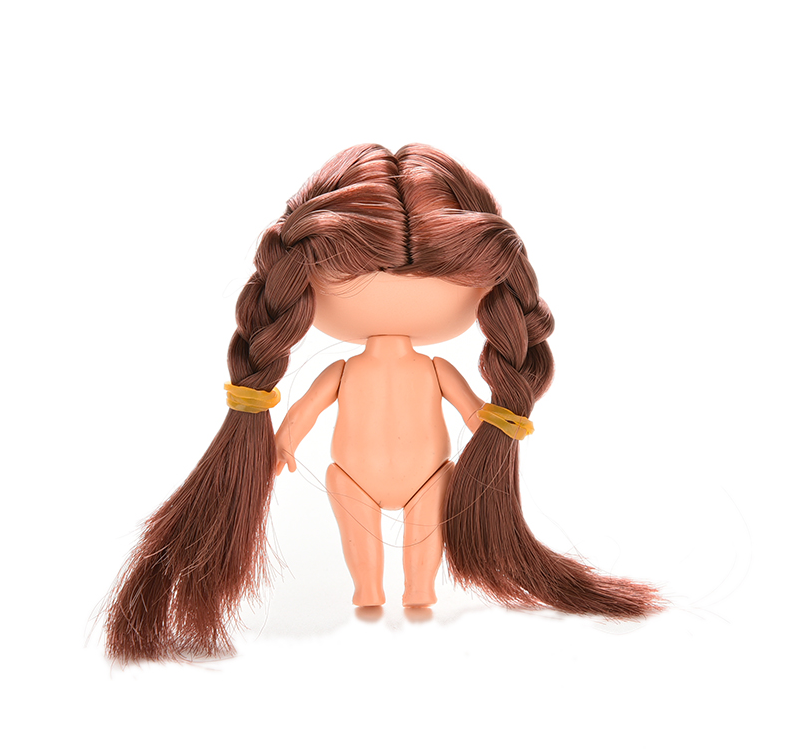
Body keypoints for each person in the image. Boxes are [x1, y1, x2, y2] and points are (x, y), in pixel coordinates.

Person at [104, 143, 661, 662]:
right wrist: (280, 444)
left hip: (430, 477)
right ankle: (368, 591)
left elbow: (473, 412)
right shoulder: (346, 371)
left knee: (423, 545)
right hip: (352, 478)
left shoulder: (435, 370)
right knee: (363, 553)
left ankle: (418, 592)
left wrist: (496, 433)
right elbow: (304, 411)